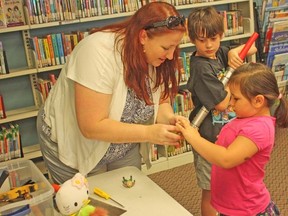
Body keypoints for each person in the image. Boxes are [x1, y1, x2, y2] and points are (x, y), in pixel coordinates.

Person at [36, 2, 187, 184]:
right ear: (143, 36)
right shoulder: (98, 52)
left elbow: (160, 101)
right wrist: (149, 133)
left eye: (174, 47)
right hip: (78, 143)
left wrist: (170, 120)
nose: (171, 56)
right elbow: (91, 126)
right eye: (165, 48)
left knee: (131, 193)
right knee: (90, 205)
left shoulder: (157, 57)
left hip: (123, 142)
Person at [177, 62, 288, 215]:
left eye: (236, 99)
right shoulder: (246, 117)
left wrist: (193, 136)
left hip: (246, 209)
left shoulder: (259, 128)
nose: (230, 104)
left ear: (258, 101)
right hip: (234, 205)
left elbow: (226, 159)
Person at [186, 6, 257, 215]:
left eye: (214, 38)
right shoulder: (200, 67)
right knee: (211, 191)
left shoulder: (221, 52)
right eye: (201, 40)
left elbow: (250, 49)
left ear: (221, 36)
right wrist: (232, 79)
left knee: (230, 184)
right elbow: (222, 103)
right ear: (191, 39)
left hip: (228, 136)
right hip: (208, 139)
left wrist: (234, 52)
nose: (208, 45)